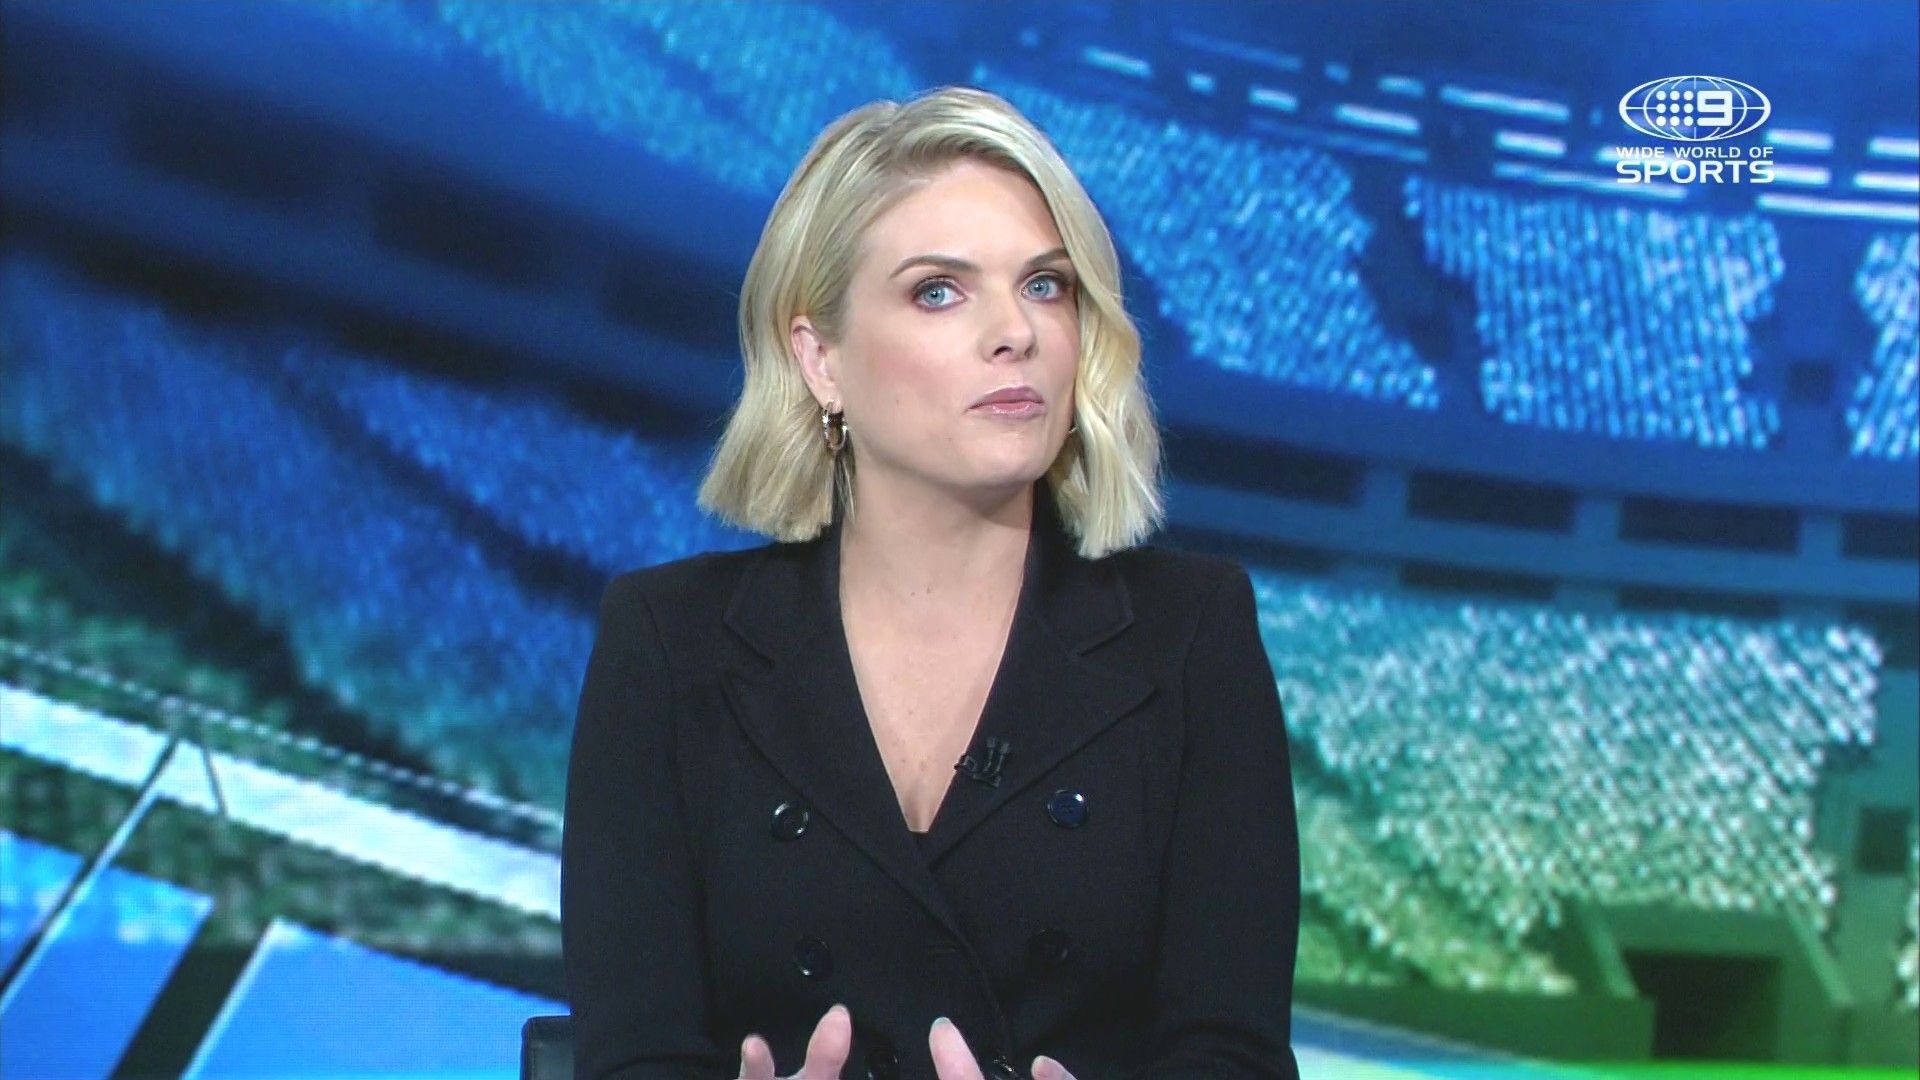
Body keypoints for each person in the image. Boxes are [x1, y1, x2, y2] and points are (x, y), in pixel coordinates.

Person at [562, 85, 1301, 1080]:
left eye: (1046, 285)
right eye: (939, 292)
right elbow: (632, 1055)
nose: (1016, 332)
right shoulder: (666, 641)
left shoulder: (1192, 631)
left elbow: (1234, 1054)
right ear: (820, 358)